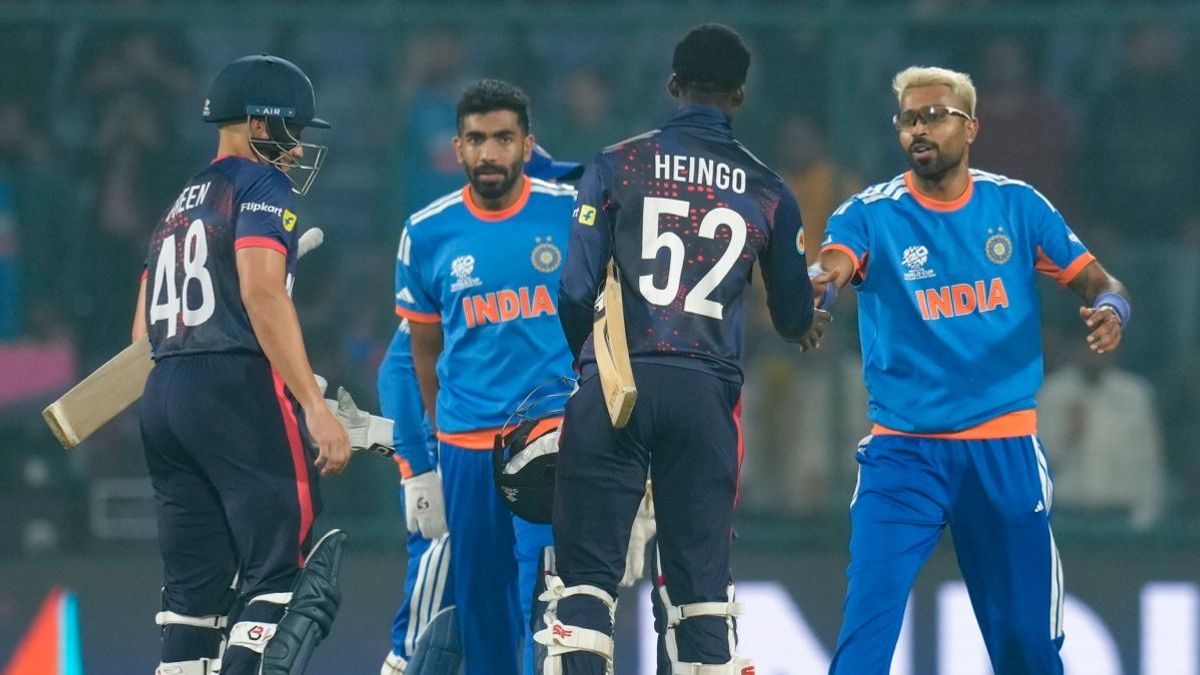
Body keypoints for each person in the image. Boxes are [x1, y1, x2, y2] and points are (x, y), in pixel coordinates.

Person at [810, 66, 1131, 675]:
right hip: (902, 454)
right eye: (908, 119)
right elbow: (833, 266)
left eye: (934, 116)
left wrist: (1112, 309)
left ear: (971, 127)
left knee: (1027, 647)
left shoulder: (1016, 206)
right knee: (864, 637)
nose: (919, 129)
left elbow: (1100, 280)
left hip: (1002, 449)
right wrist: (817, 287)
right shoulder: (871, 213)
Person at [547, 24, 822, 673]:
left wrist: (591, 366)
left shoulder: (615, 164)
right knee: (701, 595)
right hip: (705, 395)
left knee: (585, 586)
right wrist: (807, 321)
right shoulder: (767, 189)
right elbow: (792, 314)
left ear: (674, 86)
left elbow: (574, 290)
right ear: (741, 96)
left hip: (618, 384)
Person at [132, 54, 351, 675]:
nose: (298, 149)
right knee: (283, 578)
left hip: (163, 392)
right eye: (292, 131)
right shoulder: (260, 185)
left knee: (191, 604)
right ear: (260, 125)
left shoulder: (178, 204)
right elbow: (261, 294)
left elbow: (142, 333)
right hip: (233, 387)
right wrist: (313, 406)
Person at [393, 79, 578, 675]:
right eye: (476, 140)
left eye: (503, 138)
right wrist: (437, 442)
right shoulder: (426, 231)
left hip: (552, 439)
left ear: (526, 144)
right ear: (458, 148)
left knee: (558, 611)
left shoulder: (570, 212)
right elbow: (423, 352)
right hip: (467, 447)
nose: (489, 153)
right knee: (484, 616)